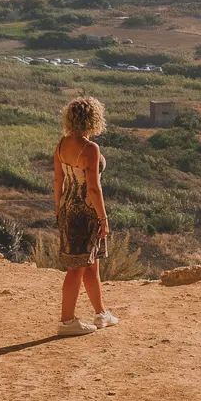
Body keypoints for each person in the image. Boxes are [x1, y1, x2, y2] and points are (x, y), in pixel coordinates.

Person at [52, 95, 116, 335]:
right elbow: (93, 188)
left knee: (91, 265)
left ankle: (101, 314)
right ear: (93, 119)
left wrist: (59, 208)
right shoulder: (90, 148)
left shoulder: (61, 144)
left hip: (68, 208)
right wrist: (103, 219)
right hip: (86, 212)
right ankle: (66, 322)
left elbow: (58, 179)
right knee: (77, 268)